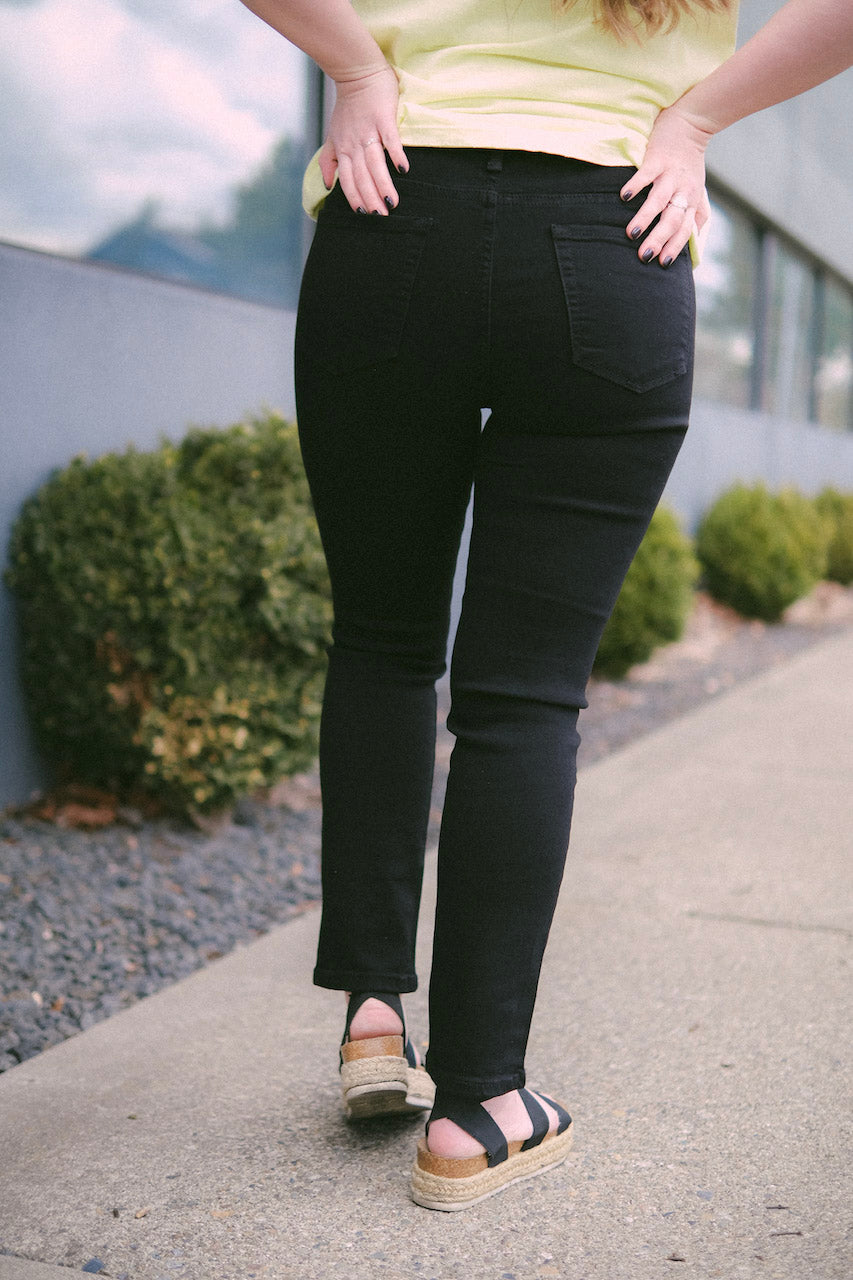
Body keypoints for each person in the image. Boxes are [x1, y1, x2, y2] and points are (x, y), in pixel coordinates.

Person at [237, 0, 853, 1211]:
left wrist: (354, 65)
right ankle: (478, 1106)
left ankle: (374, 1010)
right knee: (524, 696)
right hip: (613, 226)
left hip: (390, 202)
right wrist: (694, 120)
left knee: (381, 641)